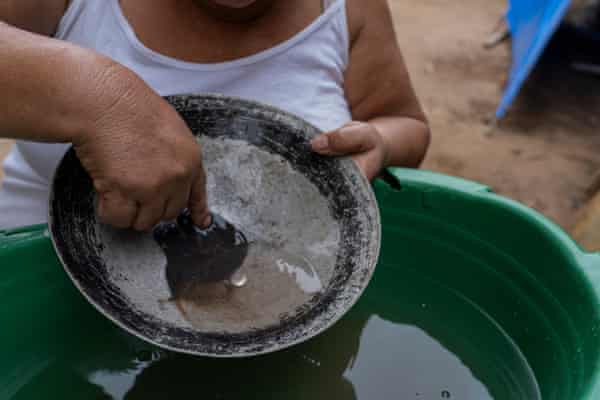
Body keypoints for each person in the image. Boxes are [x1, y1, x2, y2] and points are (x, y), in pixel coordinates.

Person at [0, 0, 430, 231]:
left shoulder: (347, 9)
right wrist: (94, 96)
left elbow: (405, 124)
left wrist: (380, 142)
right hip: (38, 271)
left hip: (274, 308)